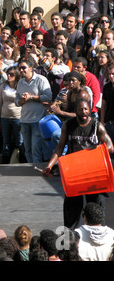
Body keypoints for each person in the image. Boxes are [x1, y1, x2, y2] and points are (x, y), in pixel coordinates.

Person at [43, 98, 114, 229]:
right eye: (80, 109)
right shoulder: (68, 125)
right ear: (76, 111)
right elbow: (59, 148)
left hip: (93, 172)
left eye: (86, 109)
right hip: (74, 173)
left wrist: (95, 150)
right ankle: (70, 239)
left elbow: (110, 146)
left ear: (90, 110)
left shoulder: (97, 125)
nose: (83, 112)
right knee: (71, 211)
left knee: (95, 209)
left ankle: (98, 236)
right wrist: (50, 165)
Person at [15, 58, 52, 163]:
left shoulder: (41, 80)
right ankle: (30, 169)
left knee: (36, 149)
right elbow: (16, 101)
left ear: (31, 68)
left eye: (23, 68)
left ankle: (36, 170)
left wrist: (31, 97)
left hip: (37, 120)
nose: (21, 70)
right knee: (27, 149)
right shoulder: (20, 83)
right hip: (24, 120)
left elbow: (48, 97)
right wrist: (21, 101)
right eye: (20, 68)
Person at [0, 66, 23, 163]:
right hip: (5, 117)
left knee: (19, 141)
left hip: (18, 117)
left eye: (12, 74)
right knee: (5, 142)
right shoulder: (3, 86)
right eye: (8, 74)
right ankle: (5, 162)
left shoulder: (20, 86)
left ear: (16, 76)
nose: (9, 76)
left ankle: (20, 161)